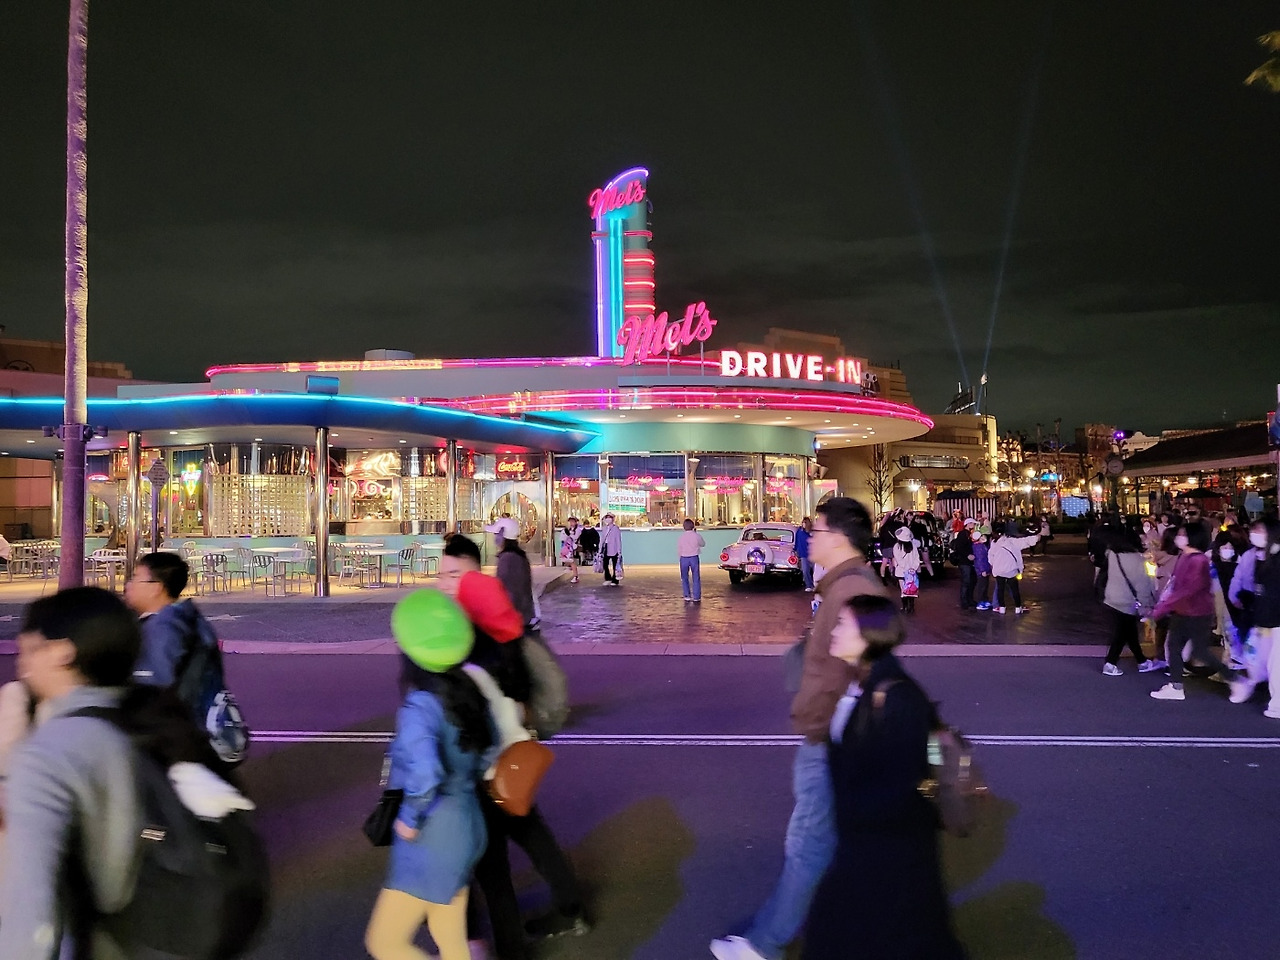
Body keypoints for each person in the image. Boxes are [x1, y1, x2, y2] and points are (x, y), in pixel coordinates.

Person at [710, 498, 886, 960]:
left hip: (830, 738)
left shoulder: (852, 590)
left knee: (809, 844)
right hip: (831, 734)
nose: (808, 537)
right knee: (824, 841)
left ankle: (765, 944)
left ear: (840, 537)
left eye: (817, 530)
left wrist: (819, 723)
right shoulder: (844, 585)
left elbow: (869, 669)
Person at [802, 594, 966, 960]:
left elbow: (902, 783)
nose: (834, 631)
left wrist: (854, 818)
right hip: (870, 847)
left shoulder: (897, 696)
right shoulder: (864, 683)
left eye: (842, 624)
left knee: (881, 934)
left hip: (888, 852)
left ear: (868, 633)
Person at [0, 587, 144, 959]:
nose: (23, 662)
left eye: (31, 649)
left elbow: (32, 915)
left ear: (62, 652)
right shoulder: (136, 721)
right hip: (134, 934)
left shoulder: (47, 754)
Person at [367, 590, 492, 960]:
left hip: (433, 835)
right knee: (450, 938)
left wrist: (409, 818)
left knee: (385, 943)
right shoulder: (468, 693)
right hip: (469, 824)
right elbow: (488, 752)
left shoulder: (420, 706)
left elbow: (426, 773)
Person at [1149, 523, 1249, 703]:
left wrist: (1163, 607)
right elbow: (1177, 586)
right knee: (1174, 647)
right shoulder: (1185, 557)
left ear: (1192, 537)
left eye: (1183, 534)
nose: (1179, 537)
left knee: (1199, 651)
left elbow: (1188, 589)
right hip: (1183, 610)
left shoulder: (1198, 560)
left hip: (1197, 613)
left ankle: (1235, 680)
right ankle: (1176, 686)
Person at [1228, 518, 1280, 716]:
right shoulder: (1260, 556)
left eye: (1260, 530)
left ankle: (1277, 704)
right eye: (1254, 530)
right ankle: (1247, 686)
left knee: (1275, 664)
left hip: (1274, 620)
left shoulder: (1275, 559)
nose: (1254, 534)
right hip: (1264, 619)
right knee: (1257, 659)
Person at [1100, 528, 1165, 676]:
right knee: (1122, 633)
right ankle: (1110, 663)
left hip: (1112, 597)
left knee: (1129, 631)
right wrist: (1148, 605)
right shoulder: (1138, 561)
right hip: (1127, 601)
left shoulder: (1113, 555)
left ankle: (1142, 661)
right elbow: (1143, 587)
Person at [988, 528, 1039, 614]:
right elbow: (1025, 541)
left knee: (1000, 589)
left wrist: (995, 565)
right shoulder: (1012, 541)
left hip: (999, 570)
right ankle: (1018, 608)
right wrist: (1037, 537)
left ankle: (1002, 608)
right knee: (1014, 589)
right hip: (1011, 570)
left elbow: (990, 558)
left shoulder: (994, 544)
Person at [495, 537, 537, 634]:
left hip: (513, 613)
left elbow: (503, 584)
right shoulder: (520, 556)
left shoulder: (506, 558)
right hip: (524, 612)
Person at [890, 526, 921, 613]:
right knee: (912, 589)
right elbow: (917, 558)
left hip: (901, 572)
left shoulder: (897, 546)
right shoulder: (913, 546)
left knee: (903, 590)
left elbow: (899, 559)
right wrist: (913, 568)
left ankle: (905, 607)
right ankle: (911, 607)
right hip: (912, 572)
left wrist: (906, 568)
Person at [678, 518, 706, 602]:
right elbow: (703, 544)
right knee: (696, 577)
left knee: (684, 577)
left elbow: (679, 549)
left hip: (684, 558)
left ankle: (687, 595)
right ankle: (696, 596)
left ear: (684, 527)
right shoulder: (696, 536)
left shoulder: (681, 537)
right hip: (694, 557)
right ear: (693, 526)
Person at [951, 519, 977, 609]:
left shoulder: (968, 534)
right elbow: (960, 547)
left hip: (968, 562)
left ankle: (969, 599)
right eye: (972, 523)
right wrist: (967, 555)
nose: (974, 525)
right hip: (964, 562)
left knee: (971, 581)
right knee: (966, 581)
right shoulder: (963, 534)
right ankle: (965, 601)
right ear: (968, 524)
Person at [972, 529, 993, 610]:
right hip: (982, 569)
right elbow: (980, 560)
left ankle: (984, 600)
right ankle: (981, 601)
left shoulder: (981, 546)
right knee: (982, 586)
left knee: (985, 585)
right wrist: (983, 570)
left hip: (985, 568)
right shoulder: (978, 547)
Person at [599, 513, 623, 586]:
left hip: (613, 548)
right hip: (605, 547)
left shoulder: (616, 528)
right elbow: (602, 539)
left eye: (610, 517)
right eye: (606, 517)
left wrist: (619, 551)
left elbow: (618, 540)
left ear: (613, 519)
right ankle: (607, 578)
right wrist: (600, 549)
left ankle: (615, 580)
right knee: (605, 563)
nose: (608, 519)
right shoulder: (604, 528)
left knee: (615, 564)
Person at [561, 517, 583, 584]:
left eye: (572, 521)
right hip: (568, 547)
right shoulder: (568, 529)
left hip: (573, 547)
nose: (571, 523)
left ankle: (575, 576)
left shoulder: (578, 530)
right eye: (570, 521)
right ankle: (571, 570)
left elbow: (575, 537)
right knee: (569, 561)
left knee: (572, 561)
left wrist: (569, 535)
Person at [796, 517, 815, 592]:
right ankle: (808, 585)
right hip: (803, 554)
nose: (803, 524)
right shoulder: (799, 531)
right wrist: (796, 550)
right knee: (805, 570)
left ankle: (815, 585)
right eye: (803, 522)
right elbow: (797, 541)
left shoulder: (812, 532)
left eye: (805, 522)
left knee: (815, 570)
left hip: (813, 554)